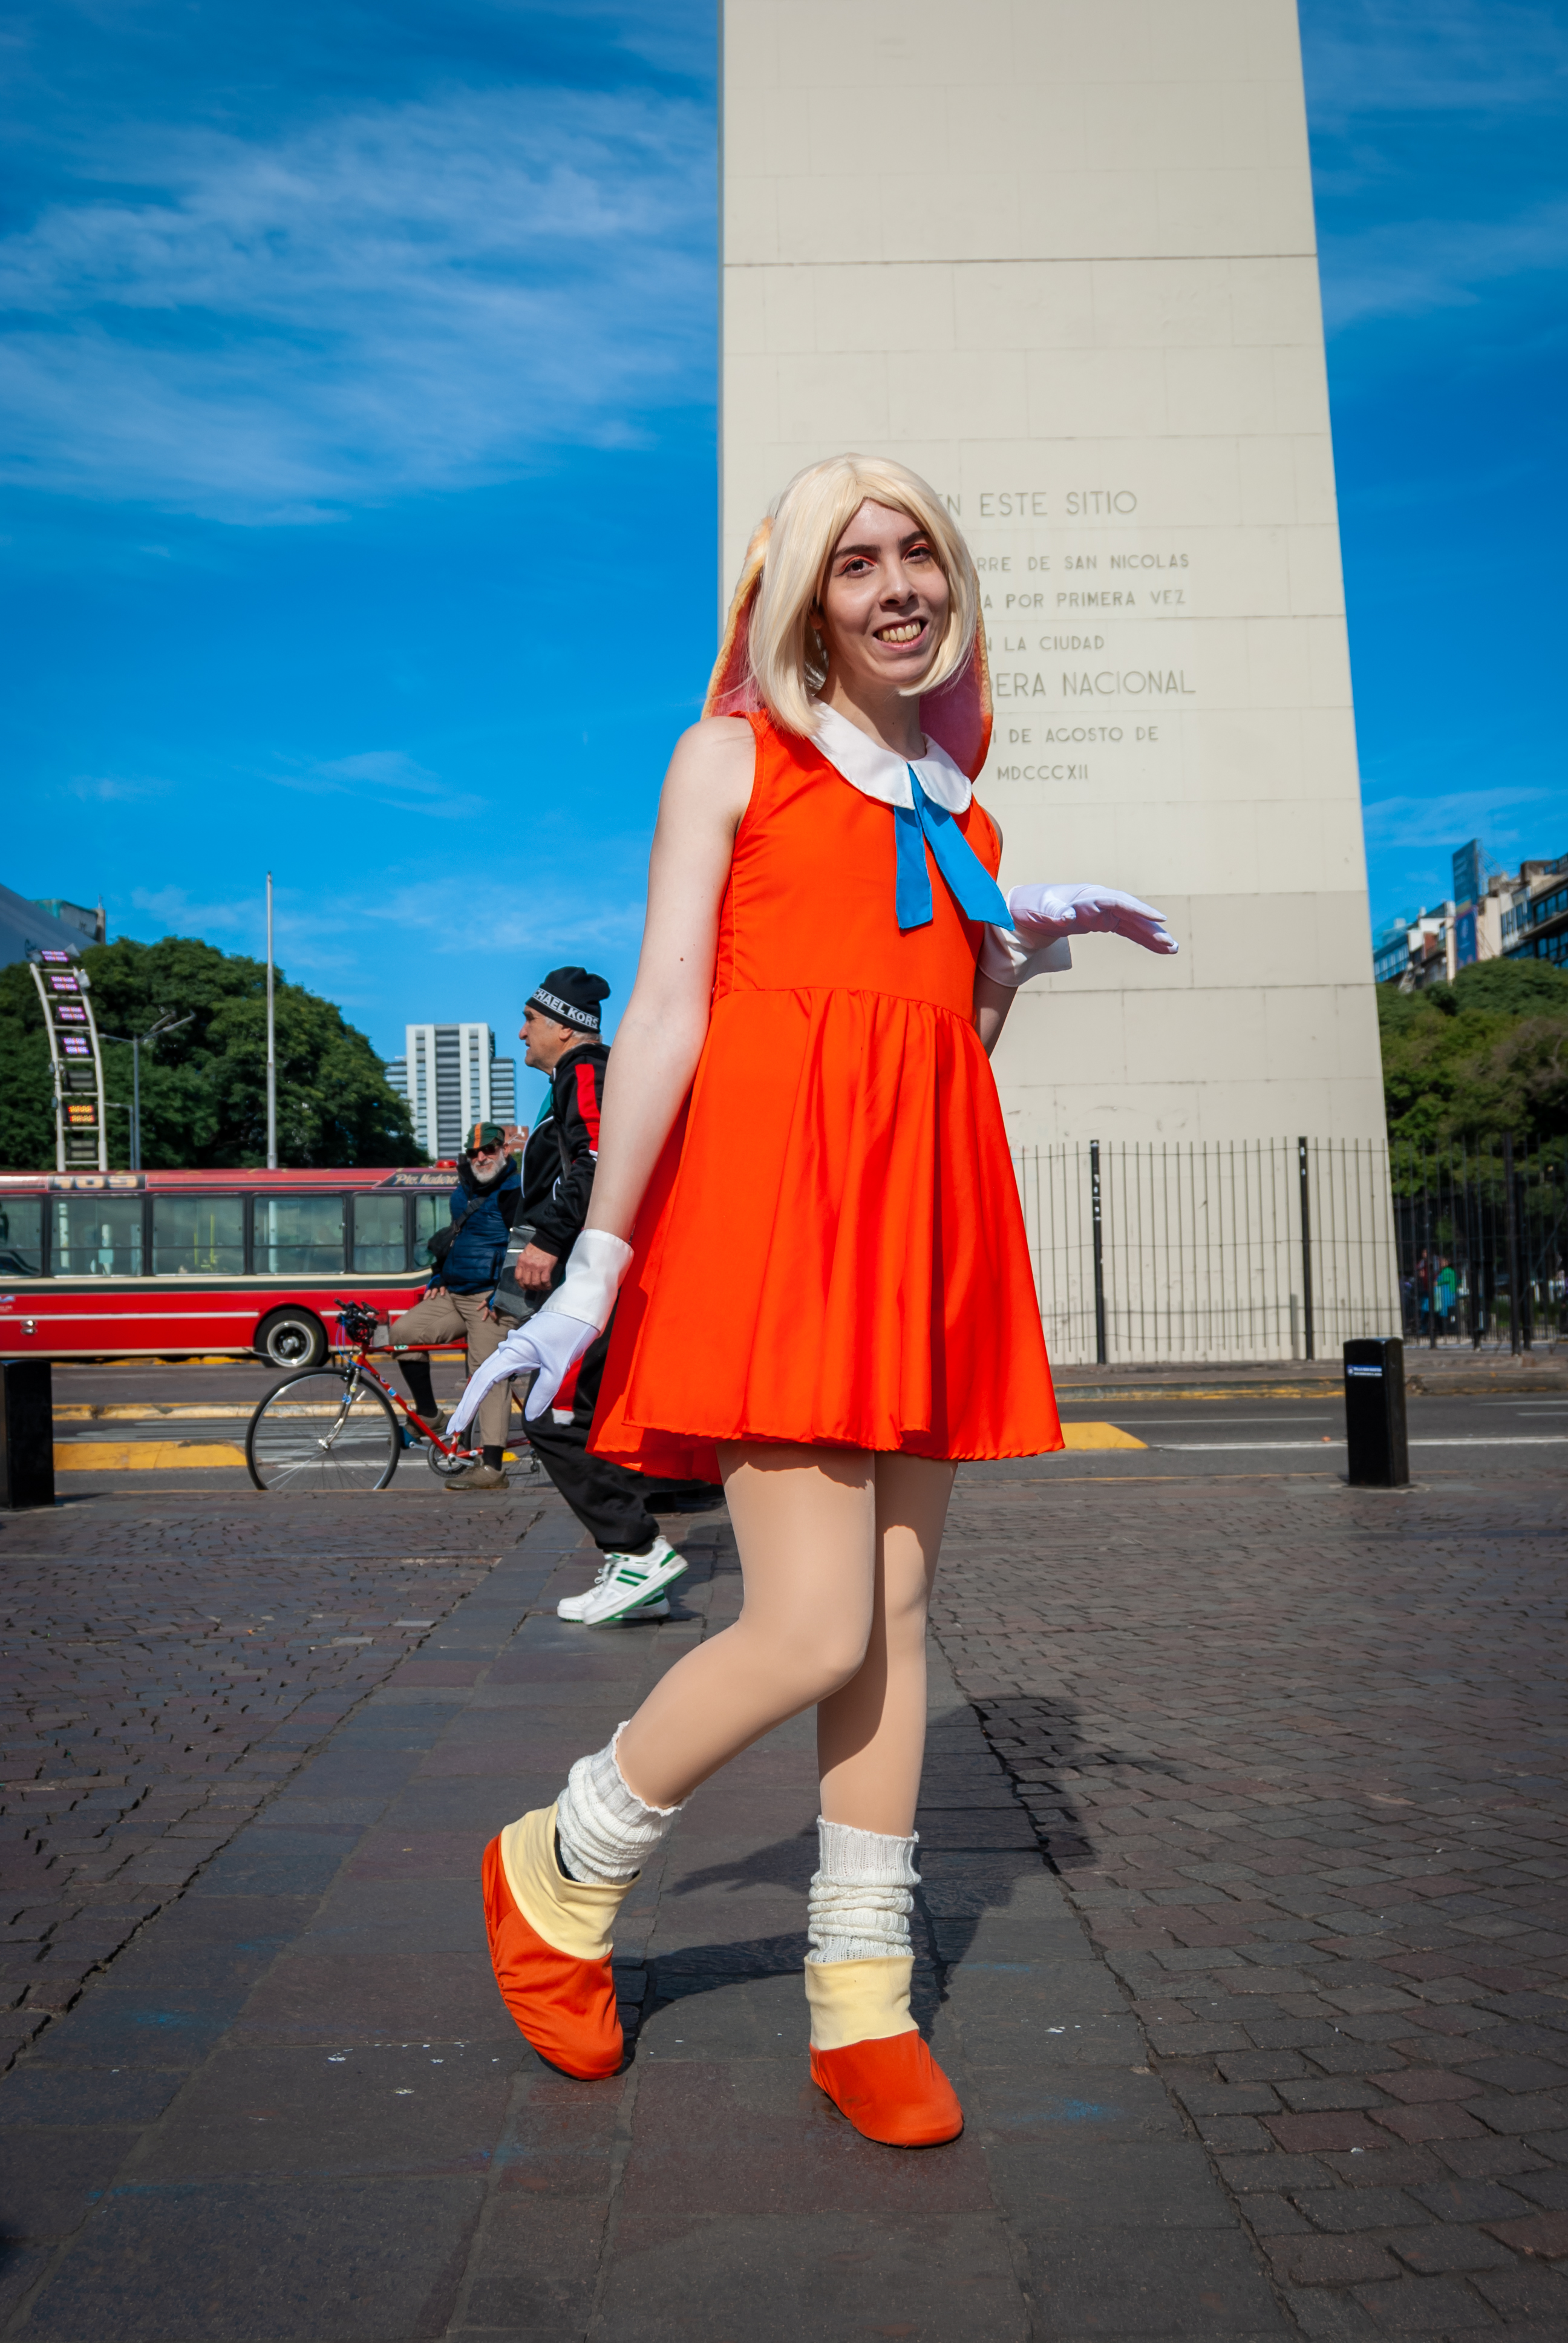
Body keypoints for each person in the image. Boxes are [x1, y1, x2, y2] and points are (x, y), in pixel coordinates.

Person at [451, 454, 1177, 2146]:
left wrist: (1003, 966)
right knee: (811, 1624)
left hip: (918, 1226)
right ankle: (560, 1868)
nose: (901, 585)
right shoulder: (729, 760)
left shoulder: (967, 813)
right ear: (801, 602)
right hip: (776, 1223)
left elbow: (940, 1054)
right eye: (859, 562)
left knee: (900, 1622)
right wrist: (605, 1261)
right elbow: (675, 1016)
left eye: (922, 550)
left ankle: (859, 2001)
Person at [504, 967, 694, 1621]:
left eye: (530, 1018)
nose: (521, 1030)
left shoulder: (586, 1071)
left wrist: (550, 1239)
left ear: (562, 1025)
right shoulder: (578, 1077)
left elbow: (597, 1157)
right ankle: (637, 1570)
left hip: (593, 1272)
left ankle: (639, 1552)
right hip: (597, 1270)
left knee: (548, 1413)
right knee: (575, 1409)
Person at [389, 1122, 522, 1493]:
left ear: (503, 1151)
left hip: (490, 1301)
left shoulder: (514, 1190)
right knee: (402, 1335)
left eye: (489, 1150)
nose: (481, 1157)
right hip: (456, 1293)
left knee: (488, 1372)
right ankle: (429, 1412)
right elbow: (455, 1238)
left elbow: (525, 1245)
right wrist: (439, 1276)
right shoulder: (462, 1189)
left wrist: (504, 1296)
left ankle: (493, 1467)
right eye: (474, 1152)